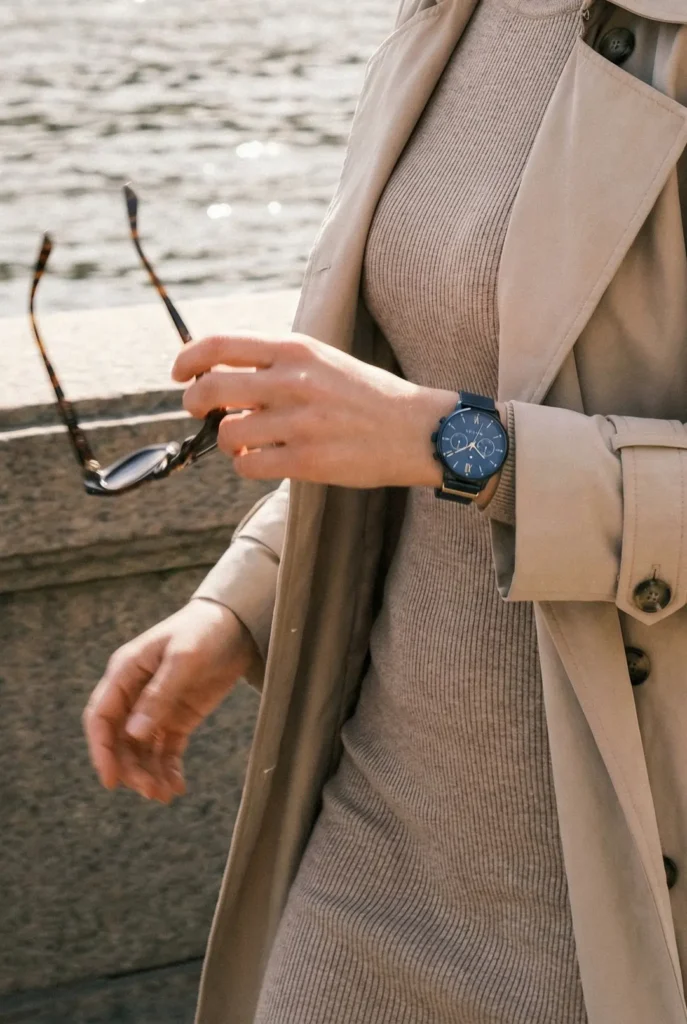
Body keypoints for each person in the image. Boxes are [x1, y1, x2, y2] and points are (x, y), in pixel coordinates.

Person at [83, 1, 687, 1022]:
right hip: (372, 838)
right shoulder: (447, 15)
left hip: (611, 905)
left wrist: (452, 443)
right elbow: (421, 387)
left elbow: (431, 427)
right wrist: (247, 600)